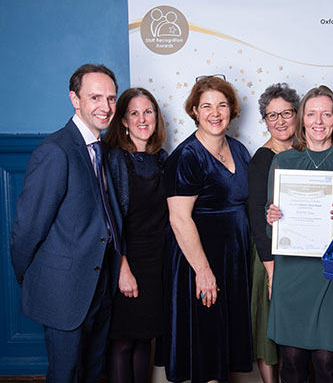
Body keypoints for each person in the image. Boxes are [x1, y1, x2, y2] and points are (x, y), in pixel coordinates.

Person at [10, 64, 122, 382]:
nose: (106, 107)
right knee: (66, 374)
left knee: (94, 372)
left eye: (111, 99)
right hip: (64, 292)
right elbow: (27, 229)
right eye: (95, 97)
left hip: (100, 286)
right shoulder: (56, 151)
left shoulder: (101, 150)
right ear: (75, 99)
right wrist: (30, 276)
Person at [265, 85, 333, 383]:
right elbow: (269, 218)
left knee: (328, 363)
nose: (319, 121)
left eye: (326, 114)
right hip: (291, 274)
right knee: (293, 363)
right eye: (311, 114)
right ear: (302, 120)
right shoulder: (283, 161)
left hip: (331, 275)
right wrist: (271, 216)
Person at [157, 76, 253, 382]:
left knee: (223, 340)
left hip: (233, 261)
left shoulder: (238, 150)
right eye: (207, 106)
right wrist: (203, 271)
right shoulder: (186, 156)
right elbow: (179, 219)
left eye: (222, 105)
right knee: (206, 341)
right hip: (199, 262)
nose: (216, 113)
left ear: (232, 110)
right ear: (195, 111)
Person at [104, 88, 168, 383]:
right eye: (134, 113)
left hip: (157, 264)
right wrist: (122, 268)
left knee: (145, 339)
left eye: (148, 112)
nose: (143, 119)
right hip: (127, 261)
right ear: (124, 121)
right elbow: (109, 223)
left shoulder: (162, 159)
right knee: (123, 340)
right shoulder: (115, 159)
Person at [248, 83, 300, 383]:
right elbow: (256, 216)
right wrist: (270, 271)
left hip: (298, 252)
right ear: (265, 120)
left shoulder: (306, 152)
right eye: (272, 115)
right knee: (267, 324)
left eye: (286, 113)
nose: (280, 121)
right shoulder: (262, 159)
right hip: (268, 254)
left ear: (297, 114)